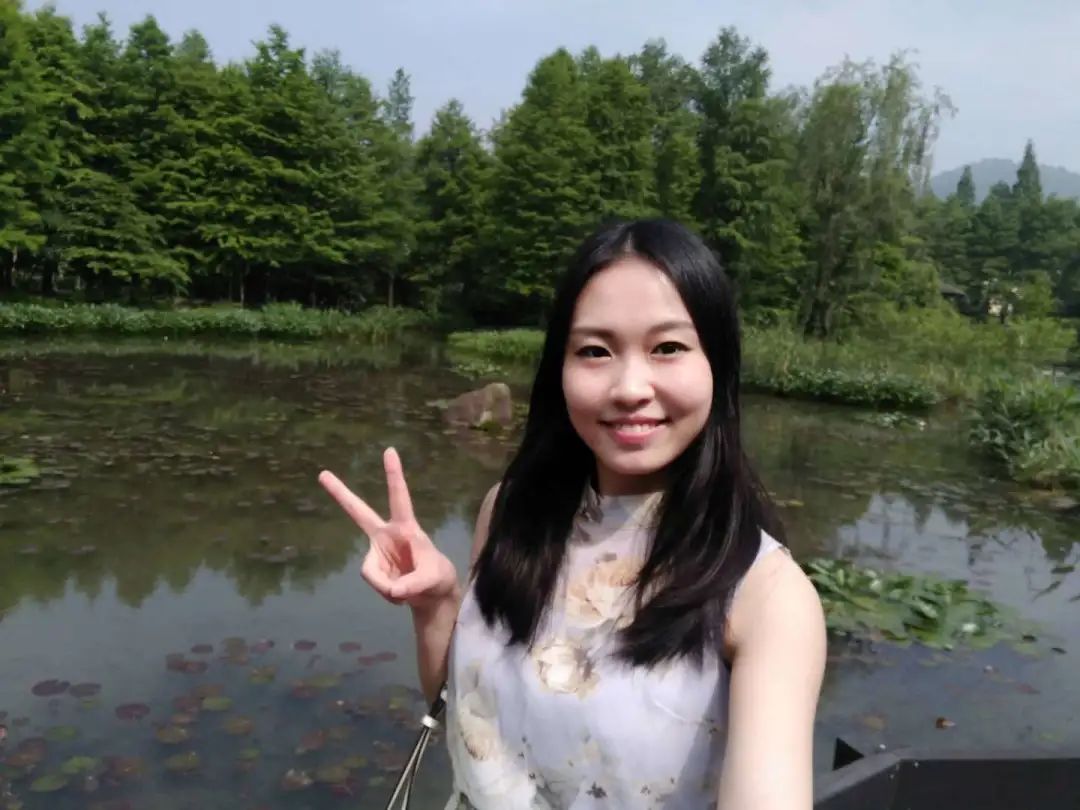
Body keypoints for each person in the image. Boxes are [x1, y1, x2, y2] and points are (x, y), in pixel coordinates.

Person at [319, 218, 827, 809]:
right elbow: (469, 714)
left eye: (668, 348)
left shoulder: (767, 597)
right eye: (595, 351)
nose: (630, 387)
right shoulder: (511, 511)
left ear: (717, 362)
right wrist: (435, 605)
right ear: (559, 367)